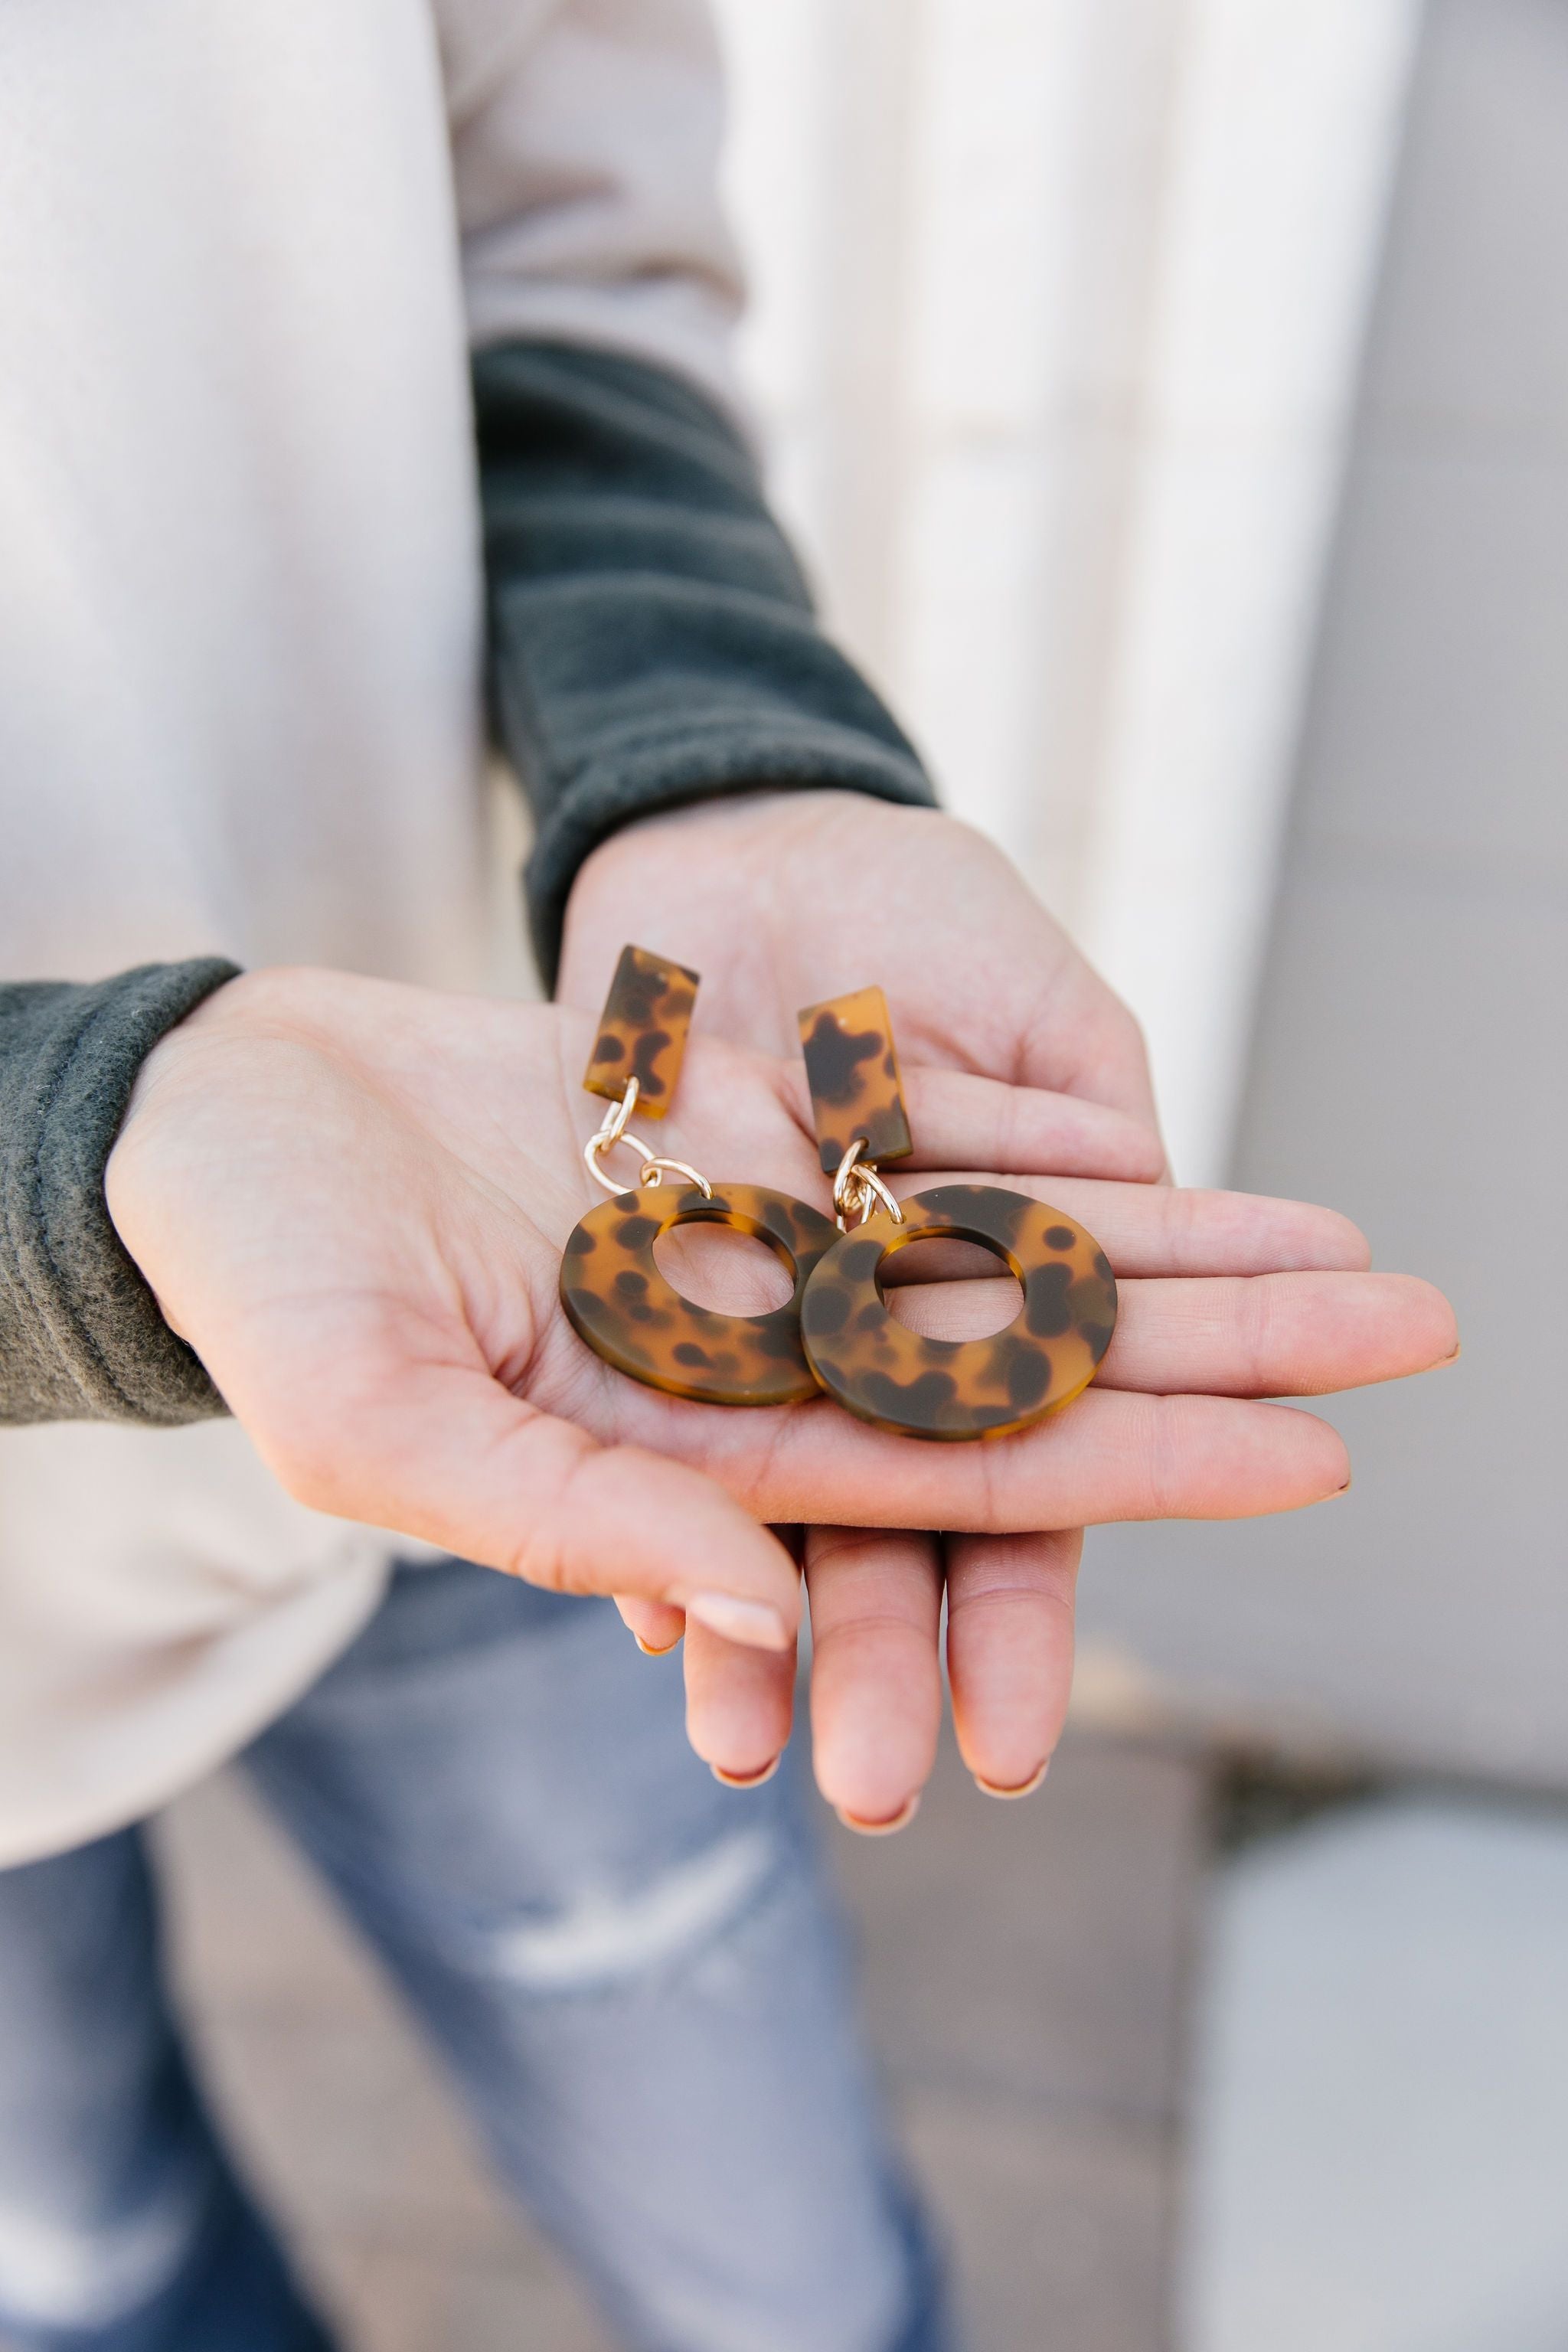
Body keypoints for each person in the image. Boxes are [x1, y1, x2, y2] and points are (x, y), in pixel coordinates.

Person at [0, 5, 1457, 2348]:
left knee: (783, 2278)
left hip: (485, 1306)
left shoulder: (692, 1175)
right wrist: (68, 1170)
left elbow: (555, 270)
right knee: (88, 2267)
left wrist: (712, 756)